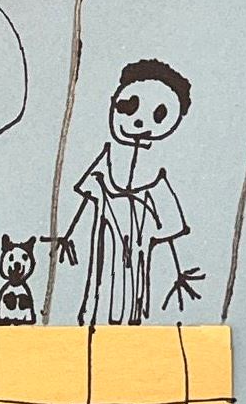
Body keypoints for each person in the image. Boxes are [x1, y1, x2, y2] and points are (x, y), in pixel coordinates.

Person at [54, 60, 203, 325]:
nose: (140, 121)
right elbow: (88, 201)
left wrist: (178, 271)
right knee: (101, 284)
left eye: (159, 115)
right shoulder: (108, 159)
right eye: (130, 106)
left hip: (137, 243)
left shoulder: (154, 173)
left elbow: (167, 226)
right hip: (108, 237)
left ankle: (128, 325)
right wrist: (68, 235)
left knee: (131, 288)